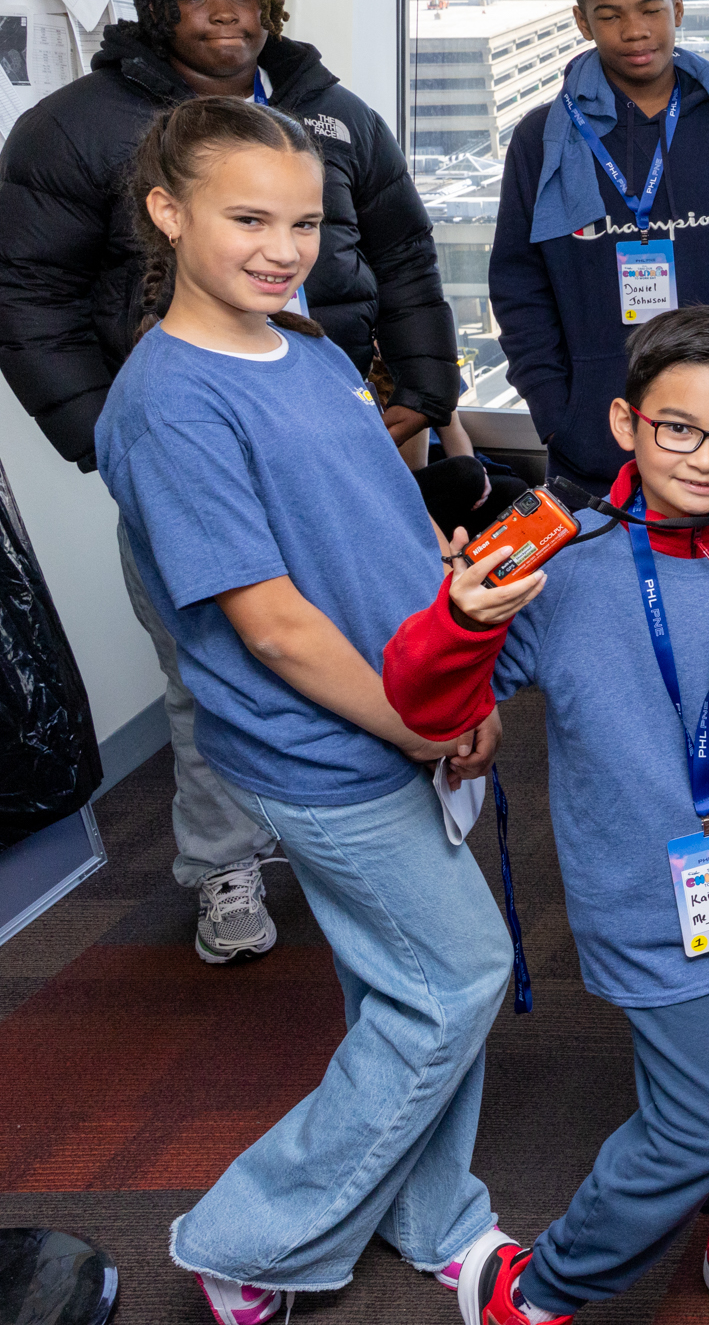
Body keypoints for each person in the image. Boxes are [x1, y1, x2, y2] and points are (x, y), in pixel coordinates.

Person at [94, 96, 510, 1325]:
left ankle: (437, 1215)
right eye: (247, 218)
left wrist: (449, 624)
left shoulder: (311, 347)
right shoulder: (168, 402)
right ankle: (247, 1236)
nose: (282, 247)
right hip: (326, 744)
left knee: (407, 985)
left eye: (304, 221)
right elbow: (269, 623)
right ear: (169, 214)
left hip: (403, 704)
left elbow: (378, 525)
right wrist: (416, 724)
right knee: (457, 976)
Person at [385, 305, 709, 1325]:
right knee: (695, 1124)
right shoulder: (557, 558)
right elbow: (431, 709)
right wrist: (457, 621)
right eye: (680, 428)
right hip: (646, 894)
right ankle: (538, 1286)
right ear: (626, 422)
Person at [0, 0, 460, 969]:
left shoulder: (330, 114)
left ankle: (373, 821)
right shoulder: (74, 131)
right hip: (202, 442)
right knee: (220, 666)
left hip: (341, 419)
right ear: (156, 9)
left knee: (370, 628)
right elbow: (26, 296)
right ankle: (225, 864)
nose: (227, 17)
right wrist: (110, 435)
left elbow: (403, 249)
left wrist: (426, 388)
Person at [490, 0, 709, 494]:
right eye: (609, 15)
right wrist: (556, 411)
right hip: (591, 442)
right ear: (583, 23)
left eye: (650, 8)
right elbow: (519, 287)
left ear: (677, 7)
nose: (634, 30)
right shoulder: (543, 139)